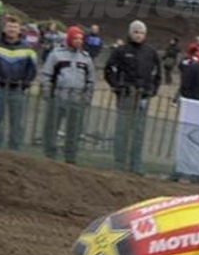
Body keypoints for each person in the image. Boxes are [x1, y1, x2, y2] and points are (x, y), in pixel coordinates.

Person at [103, 19, 161, 174]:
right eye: (136, 32)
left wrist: (153, 90)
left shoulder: (151, 52)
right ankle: (119, 162)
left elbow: (158, 73)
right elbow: (109, 70)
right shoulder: (121, 51)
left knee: (139, 131)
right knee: (122, 129)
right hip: (126, 94)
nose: (138, 35)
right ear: (130, 33)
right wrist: (117, 86)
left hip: (143, 96)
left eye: (141, 32)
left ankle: (136, 163)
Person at [40, 25, 96, 164]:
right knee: (52, 127)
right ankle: (49, 154)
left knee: (74, 130)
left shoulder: (85, 58)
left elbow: (91, 79)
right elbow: (46, 75)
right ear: (70, 39)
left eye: (80, 39)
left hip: (76, 99)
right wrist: (47, 93)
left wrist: (87, 97)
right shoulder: (56, 54)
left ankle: (70, 156)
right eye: (76, 38)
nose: (78, 41)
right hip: (58, 97)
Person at [0, 15, 38, 150]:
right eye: (9, 27)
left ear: (20, 30)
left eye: (15, 27)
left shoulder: (28, 49)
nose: (12, 29)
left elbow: (32, 69)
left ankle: (15, 147)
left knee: (17, 120)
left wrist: (25, 83)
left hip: (18, 89)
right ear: (4, 29)